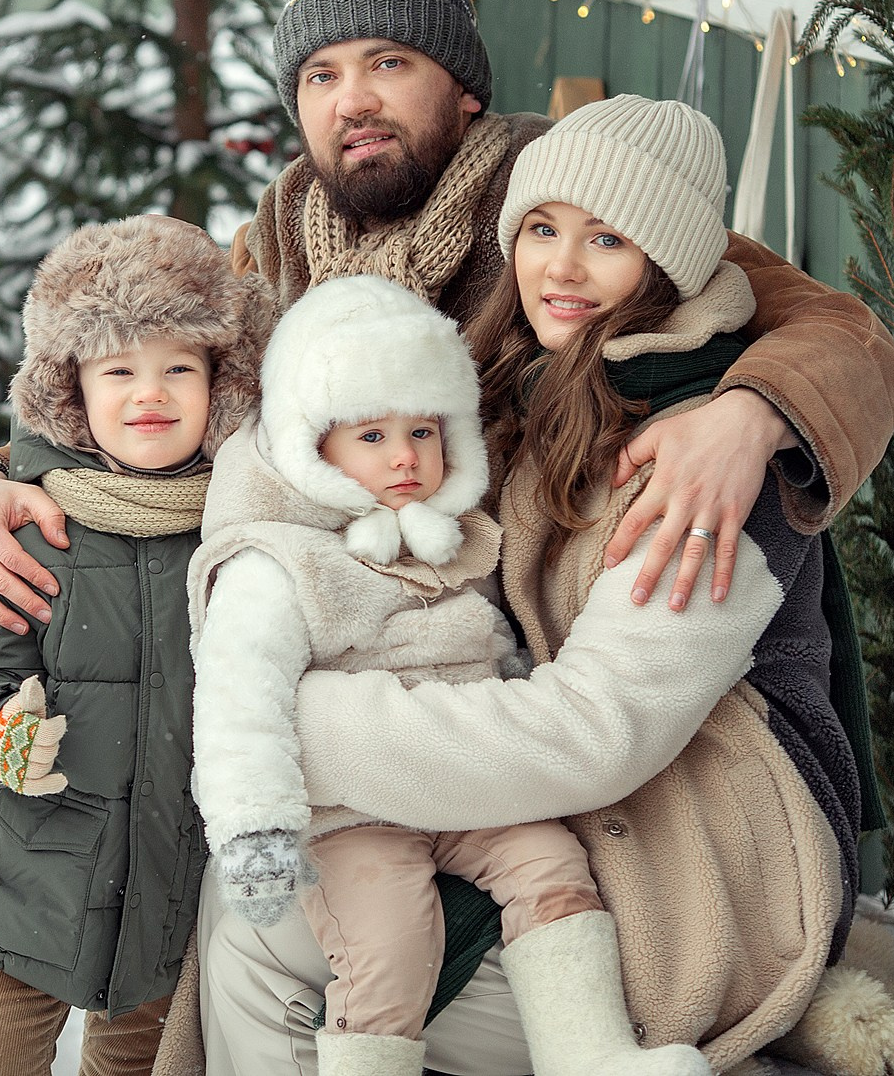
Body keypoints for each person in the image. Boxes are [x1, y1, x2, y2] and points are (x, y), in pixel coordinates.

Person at [152, 97, 894, 1076]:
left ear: (668, 262)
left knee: (271, 941)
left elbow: (595, 731)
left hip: (702, 854)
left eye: (605, 238)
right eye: (539, 229)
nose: (560, 267)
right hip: (564, 805)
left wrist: (284, 726)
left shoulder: (706, 466)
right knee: (255, 895)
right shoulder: (524, 372)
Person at [0, 0, 894, 645]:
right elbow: (137, 366)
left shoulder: (552, 199)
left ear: (460, 84)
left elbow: (839, 332)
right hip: (308, 613)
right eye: (319, 75)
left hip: (491, 626)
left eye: (386, 61)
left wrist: (750, 414)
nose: (350, 99)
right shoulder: (275, 238)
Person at [187, 274, 709, 1076]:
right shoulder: (280, 563)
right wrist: (254, 825)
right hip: (351, 813)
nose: (403, 457)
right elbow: (237, 696)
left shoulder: (458, 539)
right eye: (370, 436)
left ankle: (590, 1053)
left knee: (551, 869)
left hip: (467, 791)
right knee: (390, 940)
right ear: (309, 446)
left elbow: (494, 644)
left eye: (423, 431)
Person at [0, 216, 272, 1076]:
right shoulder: (29, 527)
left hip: (174, 881)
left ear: (220, 385)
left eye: (178, 369)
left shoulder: (239, 528)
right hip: (25, 876)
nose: (148, 394)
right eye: (118, 369)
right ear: (71, 390)